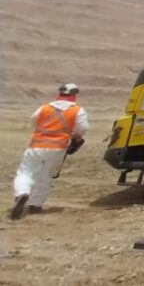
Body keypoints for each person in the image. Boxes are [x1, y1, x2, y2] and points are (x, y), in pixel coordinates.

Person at [9, 83, 88, 220]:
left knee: (26, 172)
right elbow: (83, 129)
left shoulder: (44, 108)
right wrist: (75, 136)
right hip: (58, 148)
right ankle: (36, 205)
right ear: (74, 96)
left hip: (36, 145)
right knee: (46, 175)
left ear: (59, 94)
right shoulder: (77, 110)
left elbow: (34, 122)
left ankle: (22, 193)